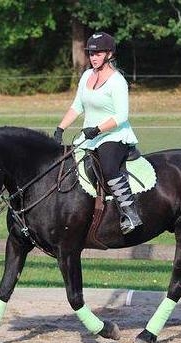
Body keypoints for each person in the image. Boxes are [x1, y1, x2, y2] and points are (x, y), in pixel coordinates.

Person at [53, 32, 142, 234]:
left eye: (98, 53)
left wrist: (98, 129)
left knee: (109, 168)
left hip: (113, 136)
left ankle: (130, 212)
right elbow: (77, 106)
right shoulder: (86, 76)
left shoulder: (117, 81)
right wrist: (60, 128)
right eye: (91, 53)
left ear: (109, 54)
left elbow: (121, 116)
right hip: (89, 137)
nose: (93, 57)